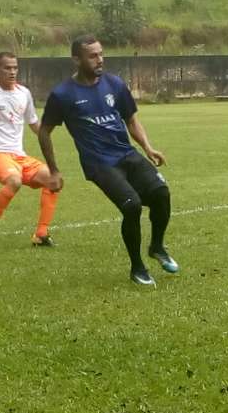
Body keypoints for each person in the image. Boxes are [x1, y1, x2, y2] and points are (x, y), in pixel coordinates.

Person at [38, 35, 176, 287]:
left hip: (127, 154)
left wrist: (147, 147)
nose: (100, 59)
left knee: (161, 193)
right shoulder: (62, 94)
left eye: (101, 54)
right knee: (132, 205)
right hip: (99, 163)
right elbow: (44, 131)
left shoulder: (114, 84)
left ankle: (156, 247)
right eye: (92, 56)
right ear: (76, 60)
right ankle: (137, 268)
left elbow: (131, 120)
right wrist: (54, 170)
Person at [0, 51, 59, 250]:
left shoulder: (23, 93)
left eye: (15, 67)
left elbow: (35, 124)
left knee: (53, 180)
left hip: (20, 156)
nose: (12, 71)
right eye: (7, 68)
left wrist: (49, 133)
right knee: (14, 181)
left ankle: (41, 234)